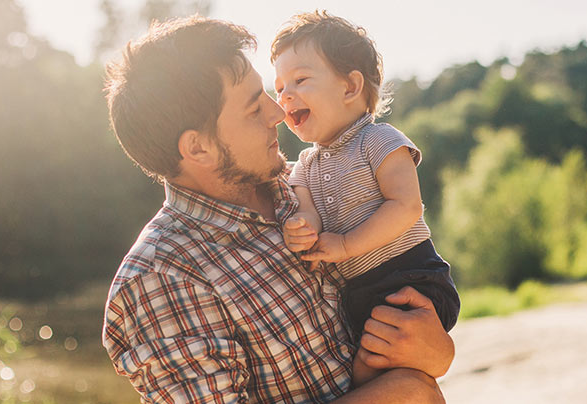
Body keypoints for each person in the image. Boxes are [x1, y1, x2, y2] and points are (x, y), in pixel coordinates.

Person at [101, 15, 453, 403]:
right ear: (197, 147)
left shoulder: (304, 184)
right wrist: (404, 392)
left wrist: (437, 352)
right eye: (255, 108)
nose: (278, 113)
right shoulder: (161, 276)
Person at [271, 11, 460, 384]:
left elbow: (406, 206)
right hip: (358, 293)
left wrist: (344, 244)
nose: (285, 95)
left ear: (350, 87)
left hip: (410, 276)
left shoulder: (379, 140)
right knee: (371, 368)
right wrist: (301, 229)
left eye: (300, 79)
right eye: (279, 87)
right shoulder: (305, 164)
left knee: (373, 367)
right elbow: (309, 214)